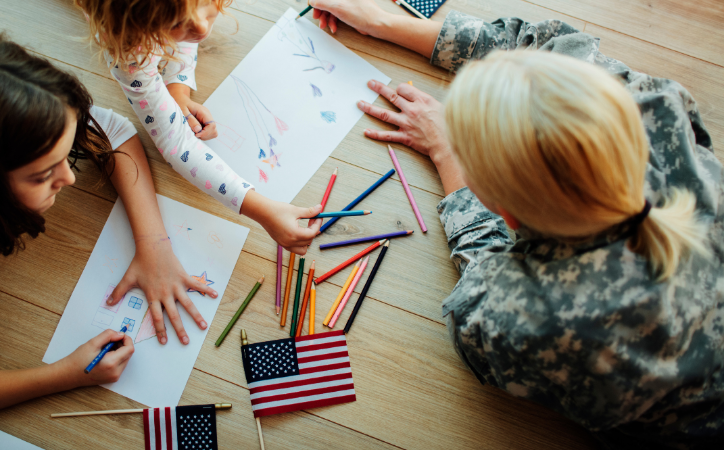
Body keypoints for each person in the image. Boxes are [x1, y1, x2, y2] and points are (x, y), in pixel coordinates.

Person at [310, 0, 724, 447]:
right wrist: (385, 23)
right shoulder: (655, 105)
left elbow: (477, 292)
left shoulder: (530, 318)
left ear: (506, 215)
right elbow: (533, 51)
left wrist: (447, 154)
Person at [0, 35, 219, 420]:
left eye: (64, 158)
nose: (70, 178)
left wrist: (154, 244)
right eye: (44, 175)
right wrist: (67, 374)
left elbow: (114, 131)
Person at [73, 0, 324, 277]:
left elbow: (184, 35)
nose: (203, 27)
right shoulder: (130, 54)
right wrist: (261, 210)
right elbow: (176, 144)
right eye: (174, 25)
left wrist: (177, 90)